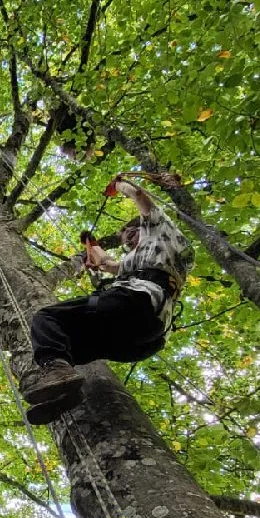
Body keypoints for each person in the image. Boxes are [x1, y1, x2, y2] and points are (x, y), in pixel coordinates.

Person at [20, 174, 193, 424]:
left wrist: (118, 185)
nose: (130, 241)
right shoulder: (135, 261)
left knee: (47, 317)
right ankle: (67, 392)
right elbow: (107, 265)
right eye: (125, 242)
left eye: (132, 234)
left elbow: (140, 197)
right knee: (65, 347)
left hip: (134, 304)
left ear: (143, 228)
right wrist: (91, 244)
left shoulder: (161, 235)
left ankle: (58, 372)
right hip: (141, 338)